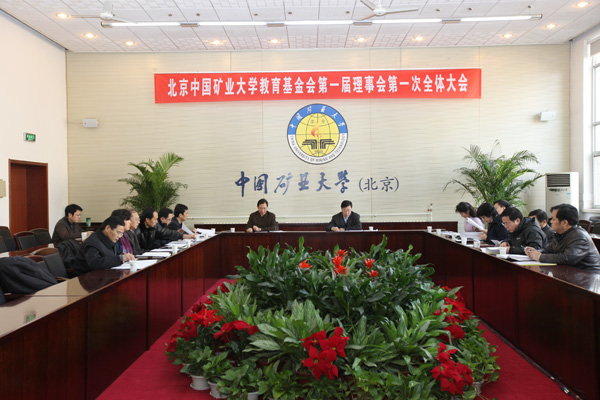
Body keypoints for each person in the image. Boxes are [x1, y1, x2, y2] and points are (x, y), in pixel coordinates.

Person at [525, 204, 600, 273]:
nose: (551, 221)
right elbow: (548, 250)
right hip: (570, 272)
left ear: (564, 222)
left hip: (589, 275)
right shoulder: (560, 234)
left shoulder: (579, 236)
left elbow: (567, 258)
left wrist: (539, 256)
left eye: (553, 219)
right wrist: (533, 252)